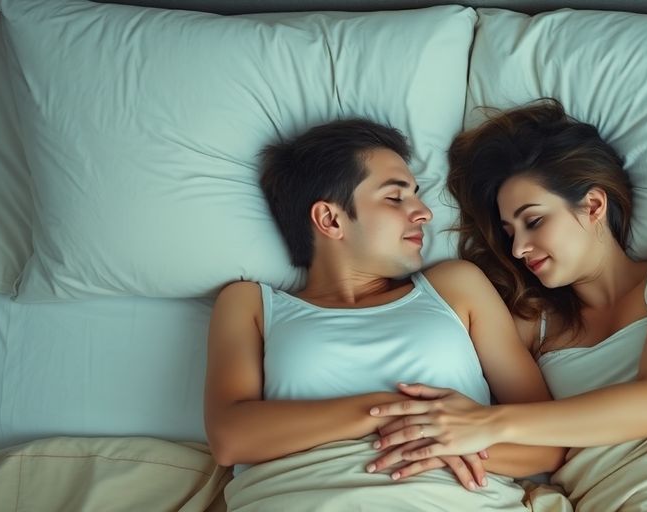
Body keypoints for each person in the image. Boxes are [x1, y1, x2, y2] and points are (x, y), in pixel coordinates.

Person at [366, 100, 647, 510]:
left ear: (593, 204)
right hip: (621, 496)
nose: (520, 247)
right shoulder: (531, 327)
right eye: (509, 232)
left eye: (534, 221)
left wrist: (490, 423)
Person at [202, 118, 565, 510]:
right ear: (330, 219)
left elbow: (548, 443)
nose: (423, 212)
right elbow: (230, 438)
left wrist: (441, 442)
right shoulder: (250, 304)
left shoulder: (456, 287)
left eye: (417, 195)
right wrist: (391, 416)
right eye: (395, 198)